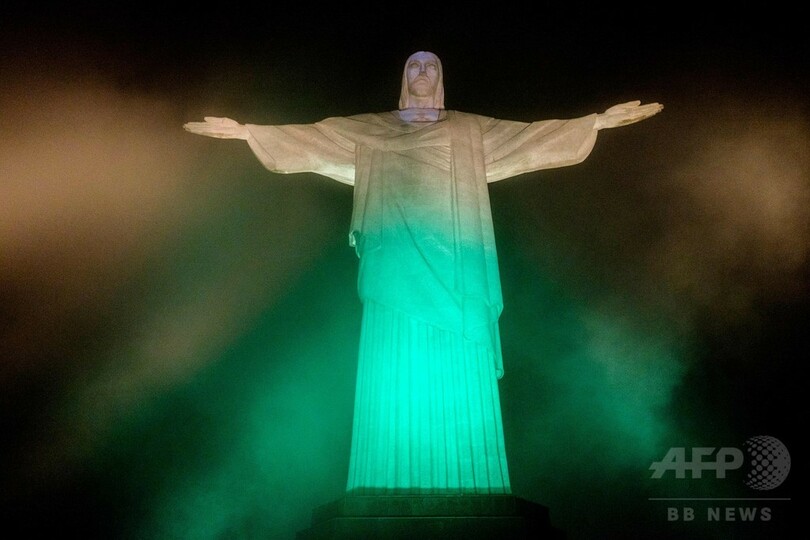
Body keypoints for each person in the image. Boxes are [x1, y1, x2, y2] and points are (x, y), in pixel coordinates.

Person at [184, 51, 662, 495]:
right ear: (402, 81)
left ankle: (475, 480)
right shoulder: (370, 129)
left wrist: (595, 122)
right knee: (392, 361)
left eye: (431, 68)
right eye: (413, 67)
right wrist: (249, 131)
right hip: (394, 263)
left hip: (457, 264)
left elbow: (531, 136)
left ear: (441, 82)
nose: (422, 74)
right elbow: (311, 138)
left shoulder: (470, 129)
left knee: (460, 365)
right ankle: (382, 481)